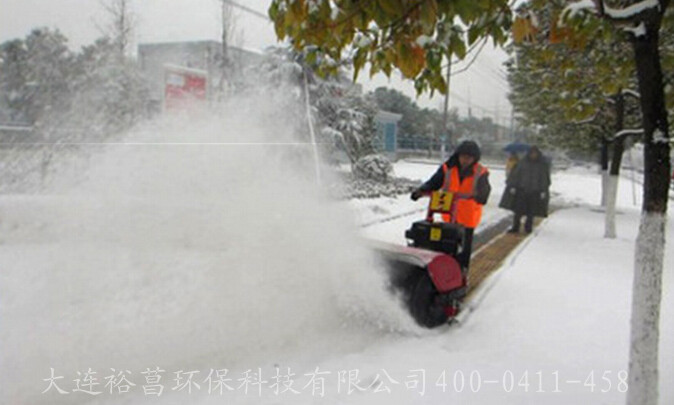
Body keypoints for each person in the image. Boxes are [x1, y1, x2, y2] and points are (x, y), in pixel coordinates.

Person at [410, 140, 491, 269]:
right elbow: (434, 183)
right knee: (443, 244)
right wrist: (421, 191)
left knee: (463, 249)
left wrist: (481, 196)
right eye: (463, 156)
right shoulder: (447, 168)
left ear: (475, 159)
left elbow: (485, 190)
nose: (465, 160)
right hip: (447, 214)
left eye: (469, 158)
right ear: (458, 155)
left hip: (468, 218)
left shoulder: (480, 172)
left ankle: (462, 274)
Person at [500, 146, 551, 234]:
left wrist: (543, 189)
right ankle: (515, 227)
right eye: (532, 153)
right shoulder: (522, 163)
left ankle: (528, 227)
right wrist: (513, 185)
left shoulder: (542, 165)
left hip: (535, 192)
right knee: (518, 211)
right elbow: (516, 175)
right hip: (522, 190)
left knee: (531, 212)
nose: (533, 155)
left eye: (535, 153)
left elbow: (544, 178)